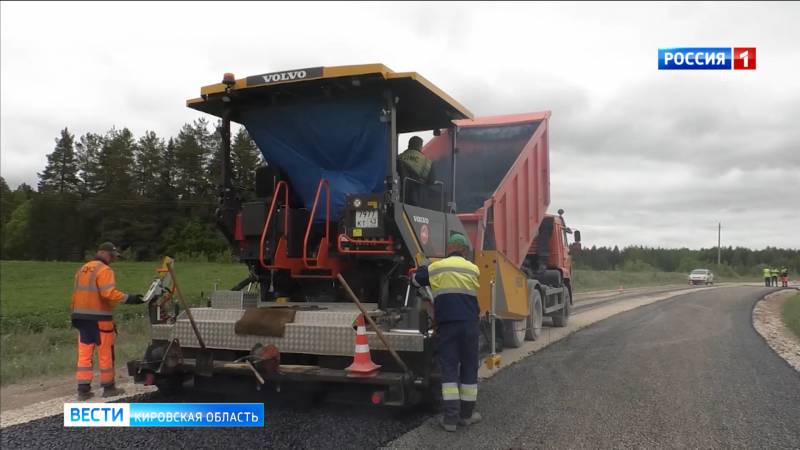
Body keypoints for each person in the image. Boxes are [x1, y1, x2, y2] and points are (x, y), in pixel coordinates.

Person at [412, 233, 481, 432]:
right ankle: (467, 416)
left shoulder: (436, 268)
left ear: (449, 248)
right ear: (464, 250)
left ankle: (450, 419)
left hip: (448, 326)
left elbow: (416, 280)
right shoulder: (473, 269)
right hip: (470, 325)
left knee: (449, 369)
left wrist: (423, 269)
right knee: (469, 367)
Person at [71, 242, 143, 400]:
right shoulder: (104, 270)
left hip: (80, 318)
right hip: (100, 319)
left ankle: (83, 390)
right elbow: (108, 293)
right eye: (112, 256)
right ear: (104, 253)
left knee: (84, 354)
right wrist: (129, 298)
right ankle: (109, 388)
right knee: (105, 353)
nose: (113, 260)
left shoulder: (82, 269)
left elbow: (77, 293)